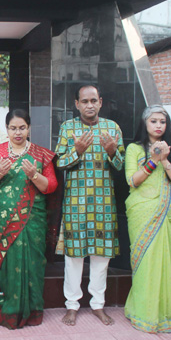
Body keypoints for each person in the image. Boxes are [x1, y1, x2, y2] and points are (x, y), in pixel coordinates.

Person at [0, 109, 57, 329]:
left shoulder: (41, 154)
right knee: (10, 265)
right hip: (5, 223)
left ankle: (33, 311)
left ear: (29, 128)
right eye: (13, 128)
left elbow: (50, 186)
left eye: (22, 127)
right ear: (7, 129)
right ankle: (11, 309)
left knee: (32, 264)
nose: (18, 132)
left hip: (33, 220)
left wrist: (33, 175)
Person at [54, 84, 124, 326]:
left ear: (101, 102)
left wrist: (113, 152)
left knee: (101, 256)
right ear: (77, 104)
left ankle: (97, 305)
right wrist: (76, 151)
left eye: (94, 100)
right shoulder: (67, 128)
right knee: (73, 257)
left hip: (104, 203)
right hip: (76, 204)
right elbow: (59, 164)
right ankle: (72, 305)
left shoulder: (112, 128)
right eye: (85, 101)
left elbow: (121, 166)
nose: (90, 105)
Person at [124, 105, 171, 333]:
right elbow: (133, 181)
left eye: (162, 121)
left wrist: (166, 159)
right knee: (146, 263)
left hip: (168, 213)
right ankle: (143, 314)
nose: (158, 125)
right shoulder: (134, 148)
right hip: (143, 212)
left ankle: (165, 316)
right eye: (154, 121)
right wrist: (153, 160)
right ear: (145, 124)